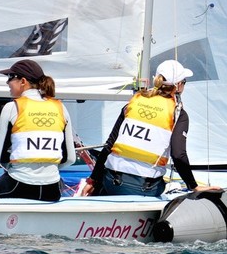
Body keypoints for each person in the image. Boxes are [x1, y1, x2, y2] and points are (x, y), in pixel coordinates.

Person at [84, 60, 216, 198]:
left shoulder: (135, 101)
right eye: (184, 81)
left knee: (103, 186)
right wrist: (193, 186)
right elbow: (178, 155)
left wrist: (93, 180)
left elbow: (109, 144)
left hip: (112, 182)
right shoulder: (178, 114)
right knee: (164, 185)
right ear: (178, 85)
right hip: (144, 188)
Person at [0, 58, 77, 200]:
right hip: (52, 189)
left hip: (19, 184)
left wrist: (21, 170)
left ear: (23, 81)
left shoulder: (12, 107)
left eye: (10, 77)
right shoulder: (61, 107)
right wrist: (46, 171)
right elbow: (70, 158)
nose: (7, 82)